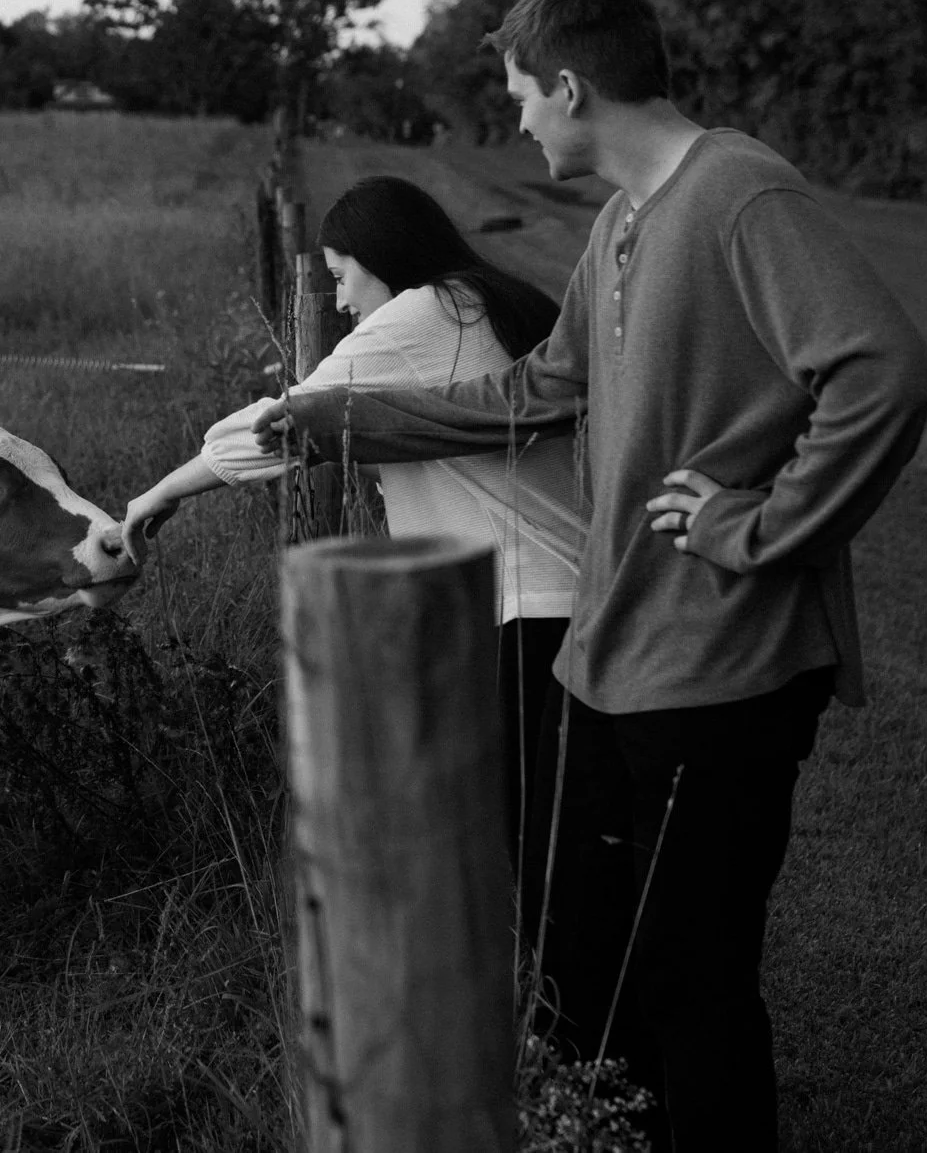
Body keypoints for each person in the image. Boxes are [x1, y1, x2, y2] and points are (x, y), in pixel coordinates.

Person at [256, 0, 927, 1151]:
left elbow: (882, 371)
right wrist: (336, 418)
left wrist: (755, 526)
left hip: (722, 657)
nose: (517, 120)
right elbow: (536, 390)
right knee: (592, 957)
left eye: (520, 95)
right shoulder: (623, 220)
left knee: (691, 979)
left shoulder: (738, 193)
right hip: (614, 654)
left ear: (570, 86)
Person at [122, 173, 587, 868]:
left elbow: (283, 423)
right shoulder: (494, 302)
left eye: (342, 277)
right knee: (550, 837)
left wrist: (162, 493)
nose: (339, 302)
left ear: (383, 254)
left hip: (518, 610)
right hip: (568, 599)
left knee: (513, 844)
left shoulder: (428, 313)